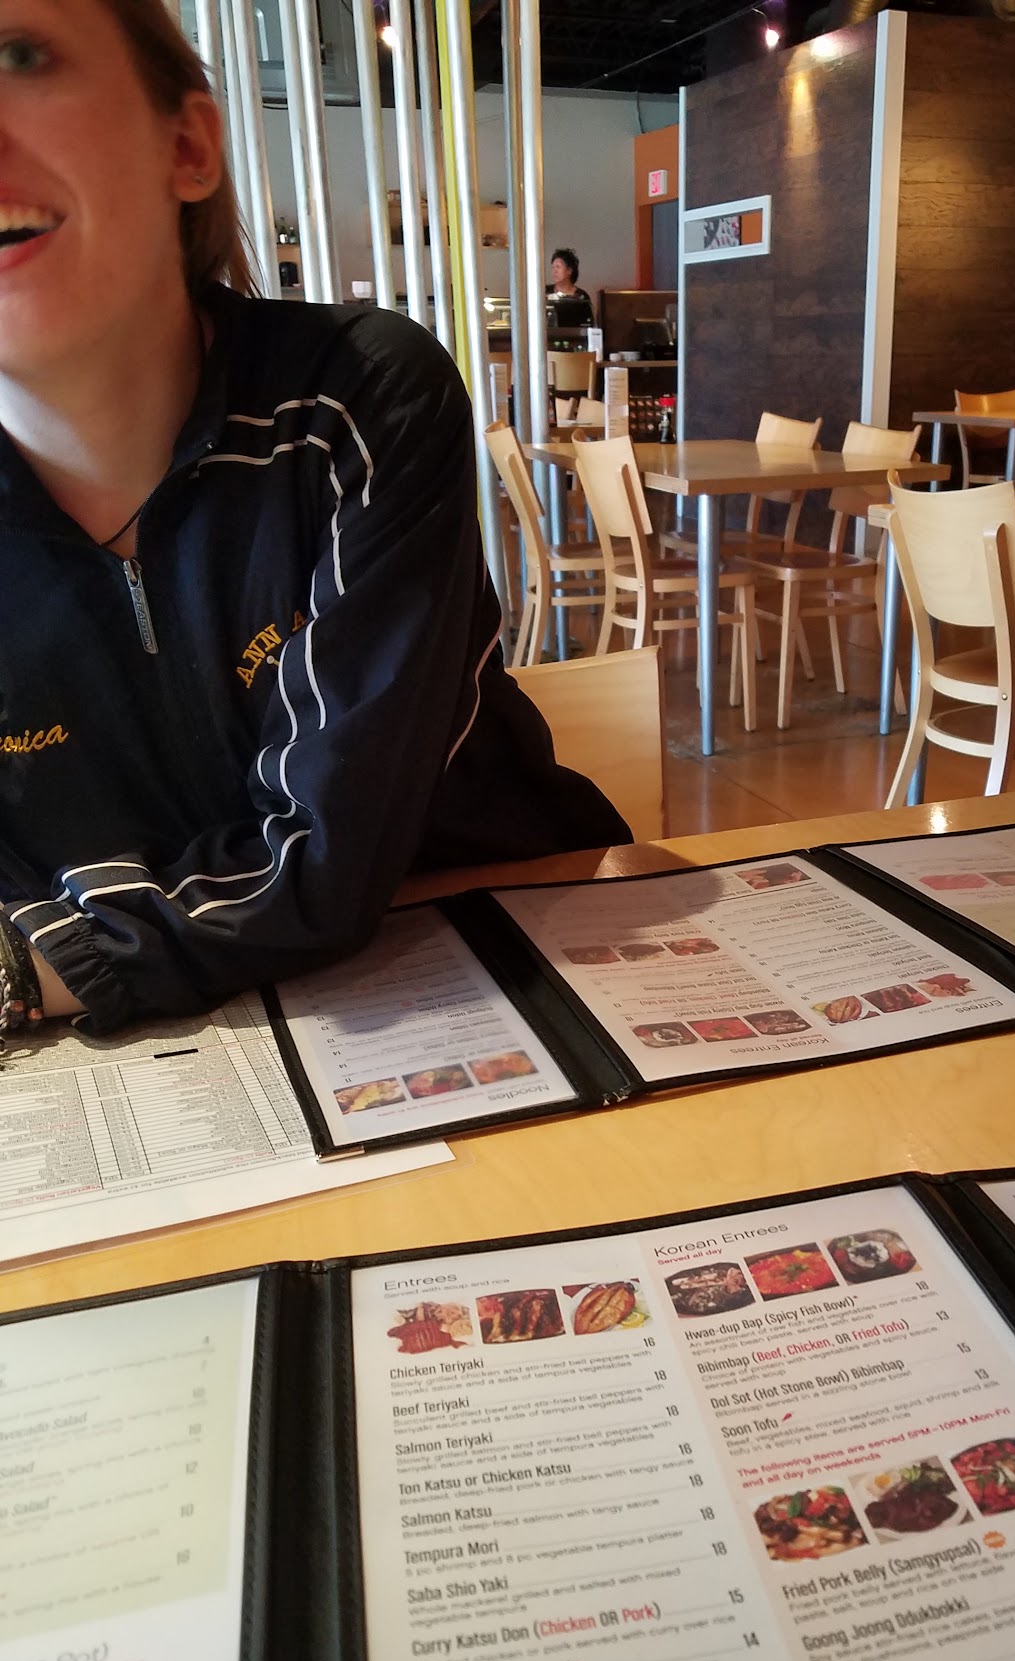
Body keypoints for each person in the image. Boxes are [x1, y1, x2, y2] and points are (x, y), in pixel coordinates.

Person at [0, 0, 630, 1043]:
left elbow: (322, 859)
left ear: (186, 146)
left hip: (496, 975)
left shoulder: (355, 399)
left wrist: (28, 967)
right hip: (155, 1052)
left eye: (20, 54)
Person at [548, 247, 594, 327]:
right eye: (553, 267)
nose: (554, 271)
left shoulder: (581, 296)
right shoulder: (545, 291)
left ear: (569, 270)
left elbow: (587, 325)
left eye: (558, 267)